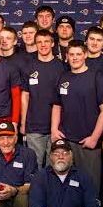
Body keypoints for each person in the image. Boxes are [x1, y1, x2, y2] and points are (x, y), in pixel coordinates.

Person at [51, 40, 103, 193]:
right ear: (67, 56)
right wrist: (54, 130)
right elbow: (57, 105)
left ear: (85, 55)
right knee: (66, 186)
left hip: (88, 143)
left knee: (89, 187)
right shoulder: (63, 78)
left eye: (78, 54)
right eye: (71, 54)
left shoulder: (97, 78)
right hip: (67, 141)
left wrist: (94, 138)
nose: (75, 57)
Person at [20, 29, 66, 167]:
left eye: (46, 41)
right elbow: (25, 96)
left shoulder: (62, 67)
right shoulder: (29, 67)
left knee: (55, 166)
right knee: (34, 167)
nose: (43, 45)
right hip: (34, 126)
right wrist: (23, 123)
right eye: (39, 42)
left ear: (52, 43)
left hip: (57, 127)